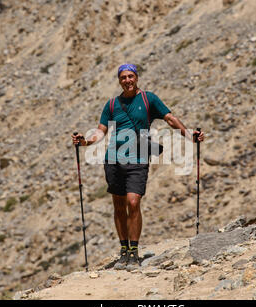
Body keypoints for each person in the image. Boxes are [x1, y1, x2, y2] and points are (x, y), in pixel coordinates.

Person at [72, 63, 204, 270]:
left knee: (133, 202)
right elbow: (100, 131)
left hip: (138, 159)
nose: (127, 81)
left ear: (137, 78)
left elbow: (169, 118)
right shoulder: (112, 104)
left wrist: (189, 135)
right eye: (123, 77)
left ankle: (134, 251)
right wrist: (85, 142)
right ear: (119, 80)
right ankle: (124, 250)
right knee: (118, 206)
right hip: (113, 159)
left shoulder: (148, 99)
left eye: (130, 76)